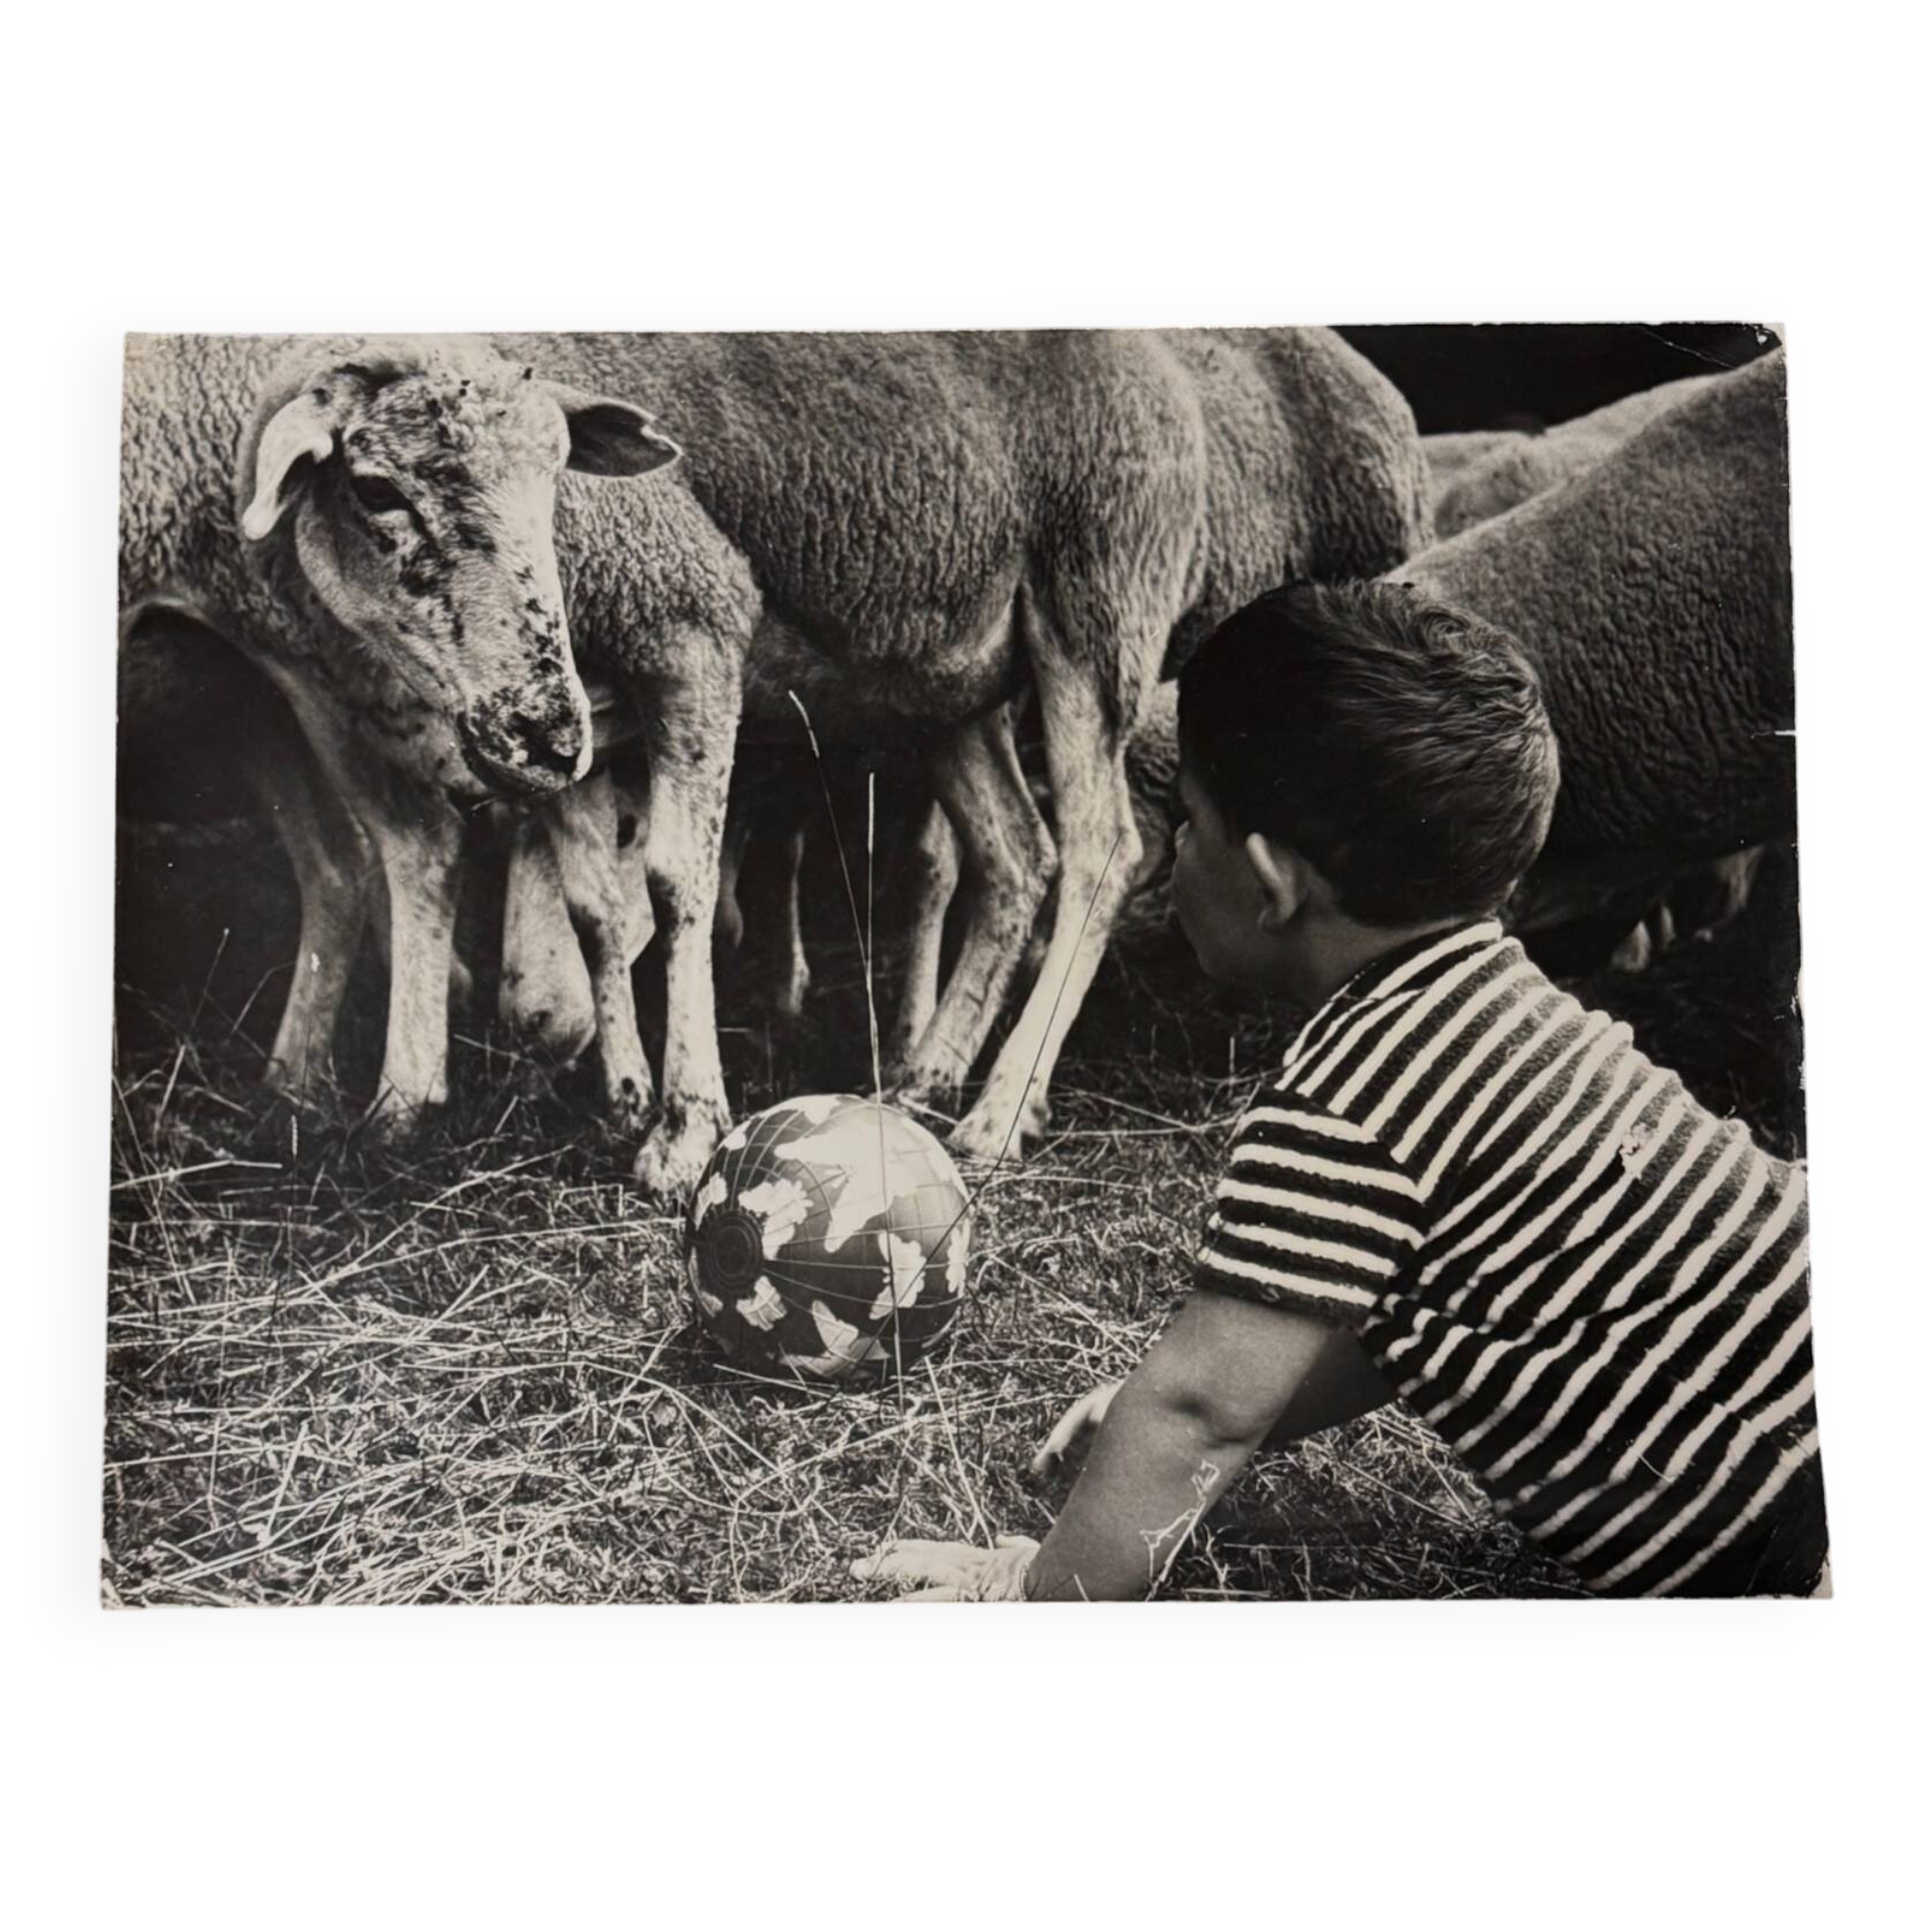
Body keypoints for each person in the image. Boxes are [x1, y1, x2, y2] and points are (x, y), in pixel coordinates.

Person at [853, 582, 1827, 1603]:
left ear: (1271, 882)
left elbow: (1194, 1407)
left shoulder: (1345, 1099)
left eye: (1187, 819)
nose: (1173, 850)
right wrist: (1248, 1409)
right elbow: (1398, 1316)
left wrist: (1033, 1584)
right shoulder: (1501, 1011)